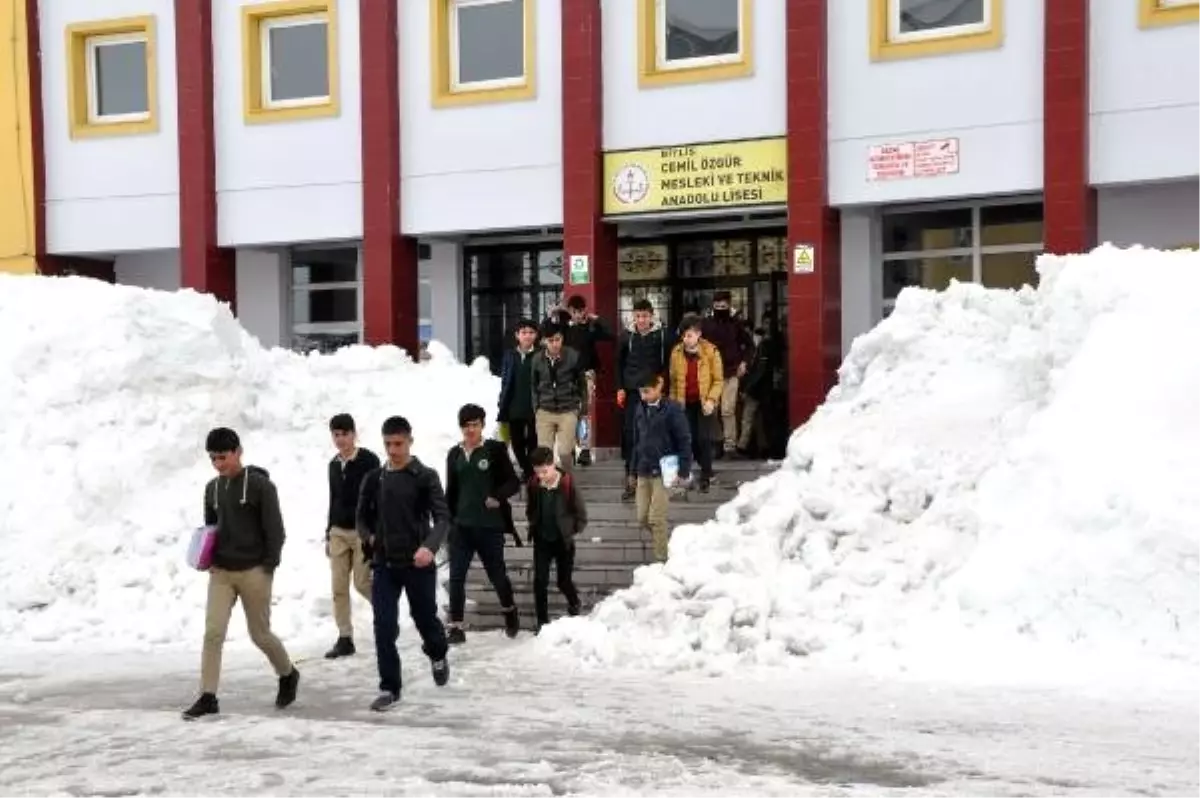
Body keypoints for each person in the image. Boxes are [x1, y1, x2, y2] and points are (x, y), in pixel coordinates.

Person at [183, 427, 299, 720]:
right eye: (213, 459)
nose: (218, 464)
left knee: (259, 634)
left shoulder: (260, 486)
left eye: (222, 457)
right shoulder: (212, 488)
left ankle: (287, 673)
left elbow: (276, 531)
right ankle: (208, 696)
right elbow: (211, 527)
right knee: (213, 633)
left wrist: (268, 565)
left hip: (254, 570)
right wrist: (206, 557)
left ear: (238, 452)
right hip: (221, 572)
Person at [356, 416, 451, 712]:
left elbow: (443, 518)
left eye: (398, 443)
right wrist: (368, 536)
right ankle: (389, 687)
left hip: (417, 562)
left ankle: (437, 652)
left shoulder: (425, 476)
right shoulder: (373, 478)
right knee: (383, 626)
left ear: (410, 441)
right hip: (385, 563)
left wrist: (429, 547)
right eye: (388, 444)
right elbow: (360, 517)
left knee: (425, 619)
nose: (393, 450)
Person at [444, 403, 522, 644]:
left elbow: (513, 482)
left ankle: (509, 610)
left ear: (483, 425)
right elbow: (451, 492)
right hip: (462, 527)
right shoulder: (454, 454)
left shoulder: (494, 450)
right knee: (456, 576)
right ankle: (456, 626)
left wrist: (497, 496)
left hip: (489, 526)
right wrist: (447, 522)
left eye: (475, 425)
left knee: (496, 574)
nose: (471, 430)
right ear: (461, 427)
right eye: (466, 426)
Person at [324, 413, 381, 659]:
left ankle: (385, 615)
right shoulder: (333, 465)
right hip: (338, 531)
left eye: (344, 434)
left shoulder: (369, 460)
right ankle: (344, 637)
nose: (340, 439)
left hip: (362, 530)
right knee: (338, 587)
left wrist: (375, 531)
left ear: (353, 434)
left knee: (361, 582)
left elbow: (378, 496)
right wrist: (328, 532)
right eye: (336, 435)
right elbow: (333, 498)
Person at [630, 372, 692, 563]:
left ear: (659, 387)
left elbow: (684, 440)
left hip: (664, 471)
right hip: (643, 469)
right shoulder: (639, 408)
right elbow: (636, 441)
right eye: (641, 392)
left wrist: (683, 470)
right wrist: (631, 471)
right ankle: (664, 539)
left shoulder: (672, 409)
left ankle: (662, 560)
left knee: (656, 518)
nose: (644, 396)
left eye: (647, 391)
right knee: (642, 518)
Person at [615, 298, 673, 501]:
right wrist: (620, 387)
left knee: (656, 433)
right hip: (632, 392)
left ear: (652, 316)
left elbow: (667, 364)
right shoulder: (625, 337)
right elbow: (618, 364)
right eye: (638, 316)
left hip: (654, 391)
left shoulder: (663, 336)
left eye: (645, 316)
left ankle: (659, 480)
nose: (641, 320)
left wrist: (663, 386)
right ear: (633, 316)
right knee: (631, 435)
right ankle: (631, 480)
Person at [547, 295, 614, 467]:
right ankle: (569, 447)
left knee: (584, 413)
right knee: (568, 412)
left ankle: (584, 450)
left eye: (580, 311)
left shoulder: (590, 327)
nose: (577, 315)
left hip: (586, 375)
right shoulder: (563, 328)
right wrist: (553, 314)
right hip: (566, 376)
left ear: (584, 310)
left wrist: (597, 320)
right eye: (574, 311)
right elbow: (545, 332)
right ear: (569, 311)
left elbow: (610, 335)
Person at [524, 446, 585, 634]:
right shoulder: (533, 484)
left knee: (563, 580)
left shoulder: (567, 482)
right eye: (538, 472)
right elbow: (531, 508)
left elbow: (580, 513)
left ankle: (574, 603)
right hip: (542, 539)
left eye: (545, 471)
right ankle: (542, 621)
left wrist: (571, 530)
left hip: (563, 541)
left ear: (553, 465)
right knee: (539, 581)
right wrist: (534, 523)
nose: (542, 476)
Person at [668, 314, 723, 493]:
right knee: (687, 439)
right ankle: (689, 473)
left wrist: (711, 400)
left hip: (703, 402)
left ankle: (706, 475)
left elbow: (718, 380)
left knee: (703, 438)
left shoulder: (711, 351)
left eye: (690, 335)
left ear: (698, 334)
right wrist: (673, 404)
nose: (686, 339)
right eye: (684, 336)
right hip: (684, 403)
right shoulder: (676, 353)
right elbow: (673, 381)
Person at [701, 291, 755, 457]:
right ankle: (715, 444)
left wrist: (744, 363)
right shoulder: (705, 324)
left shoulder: (735, 324)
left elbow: (750, 346)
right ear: (713, 306)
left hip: (731, 372)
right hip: (710, 374)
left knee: (728, 410)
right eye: (717, 306)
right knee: (712, 410)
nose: (720, 309)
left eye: (723, 306)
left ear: (729, 305)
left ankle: (729, 446)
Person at [531, 322, 586, 474]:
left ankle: (567, 482)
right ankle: (546, 486)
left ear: (562, 339)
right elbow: (533, 385)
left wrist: (581, 407)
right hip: (545, 410)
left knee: (564, 452)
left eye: (557, 339)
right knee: (544, 453)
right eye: (551, 340)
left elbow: (582, 383)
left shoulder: (573, 356)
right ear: (544, 341)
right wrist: (536, 407)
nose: (555, 344)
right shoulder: (537, 359)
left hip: (567, 409)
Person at [496, 318, 540, 480]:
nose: (527, 336)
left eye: (531, 333)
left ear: (536, 335)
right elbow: (505, 380)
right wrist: (502, 401)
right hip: (514, 405)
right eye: (524, 333)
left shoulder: (540, 355)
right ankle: (528, 470)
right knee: (517, 442)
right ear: (517, 335)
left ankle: (530, 471)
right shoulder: (510, 355)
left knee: (533, 441)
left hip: (534, 406)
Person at [737, 328, 771, 457]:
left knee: (747, 418)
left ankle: (742, 446)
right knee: (758, 420)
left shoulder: (761, 348)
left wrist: (747, 389)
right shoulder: (757, 349)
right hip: (760, 391)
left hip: (756, 391)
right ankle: (762, 446)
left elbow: (758, 373)